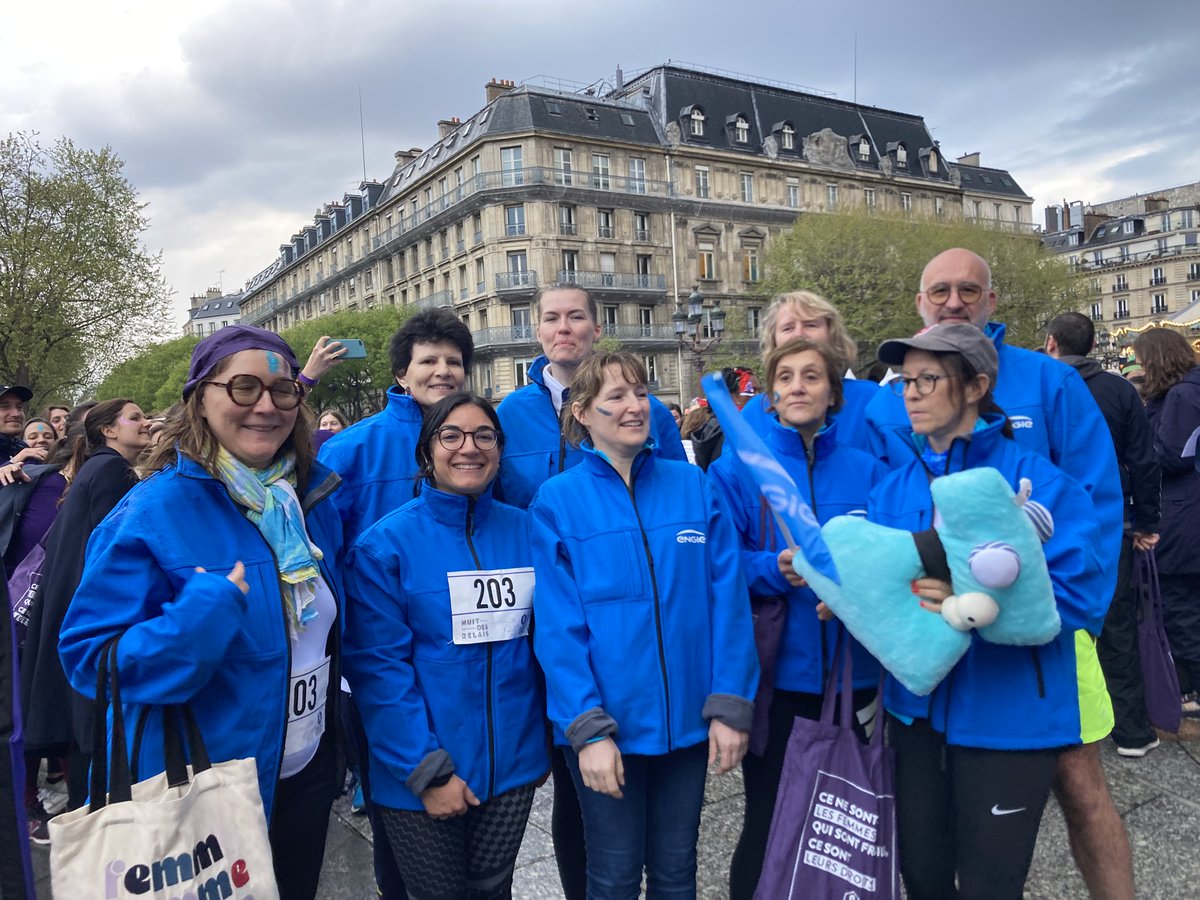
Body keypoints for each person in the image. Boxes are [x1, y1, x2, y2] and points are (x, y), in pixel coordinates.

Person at [863, 248, 1127, 896]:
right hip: (916, 713)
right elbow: (878, 587)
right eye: (908, 381)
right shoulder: (892, 484)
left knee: (991, 881)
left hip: (1012, 705)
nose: (912, 393)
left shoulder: (1040, 474)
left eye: (929, 379)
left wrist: (973, 594)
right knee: (922, 876)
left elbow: (1080, 583)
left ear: (977, 386)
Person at [58, 326, 345, 900]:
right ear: (200, 399)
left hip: (307, 774)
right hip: (204, 784)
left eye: (282, 390)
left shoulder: (307, 500)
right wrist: (200, 619)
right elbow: (91, 658)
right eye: (243, 388)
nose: (266, 405)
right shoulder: (149, 512)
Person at [530, 350, 758, 900]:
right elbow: (559, 628)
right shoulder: (558, 501)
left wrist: (729, 702)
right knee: (612, 874)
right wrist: (586, 728)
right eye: (616, 396)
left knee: (678, 870)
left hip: (687, 722)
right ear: (582, 412)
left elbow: (726, 600)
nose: (635, 406)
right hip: (608, 727)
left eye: (639, 392)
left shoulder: (693, 486)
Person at [496, 284, 684, 899]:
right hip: (544, 615)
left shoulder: (644, 416)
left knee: (650, 835)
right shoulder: (511, 412)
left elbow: (675, 500)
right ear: (538, 330)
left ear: (595, 327)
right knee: (573, 787)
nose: (564, 327)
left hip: (623, 621)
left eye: (576, 316)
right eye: (551, 317)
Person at [344, 393, 548, 899]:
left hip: (514, 766)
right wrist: (426, 769)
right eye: (451, 435)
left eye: (484, 436)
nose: (468, 448)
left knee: (494, 890)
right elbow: (379, 670)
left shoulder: (531, 532)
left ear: (500, 450)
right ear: (427, 452)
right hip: (421, 775)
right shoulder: (383, 546)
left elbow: (552, 643)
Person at [708, 338, 885, 900]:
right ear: (769, 394)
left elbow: (892, 555)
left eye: (812, 376)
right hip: (778, 678)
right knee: (769, 824)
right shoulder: (737, 471)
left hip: (859, 676)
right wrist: (772, 568)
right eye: (785, 377)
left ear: (834, 391)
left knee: (849, 824)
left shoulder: (868, 470)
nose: (798, 387)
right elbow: (717, 565)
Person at [319, 308, 472, 899]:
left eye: (453, 361)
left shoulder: (477, 440)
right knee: (397, 820)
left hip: (464, 654)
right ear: (402, 373)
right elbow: (324, 557)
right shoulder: (351, 451)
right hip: (376, 663)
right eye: (428, 361)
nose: (442, 371)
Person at [21, 398, 150, 813]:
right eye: (135, 418)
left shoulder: (95, 468)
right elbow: (115, 555)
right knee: (94, 738)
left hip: (71, 609)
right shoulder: (112, 470)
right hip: (93, 615)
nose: (145, 423)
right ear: (109, 430)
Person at [1046, 313, 1161, 755]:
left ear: (1051, 342)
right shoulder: (1118, 390)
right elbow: (1144, 461)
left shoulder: (1041, 392)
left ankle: (1066, 726)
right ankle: (1132, 730)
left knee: (1057, 627)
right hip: (1109, 524)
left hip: (1049, 526)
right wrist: (1147, 522)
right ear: (1093, 345)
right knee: (1117, 624)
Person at [1133, 328, 1200, 716]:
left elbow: (1174, 456)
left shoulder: (1181, 396)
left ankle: (1191, 688)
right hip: (1190, 510)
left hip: (1183, 514)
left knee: (1181, 607)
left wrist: (1138, 456)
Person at [744, 291, 879, 450]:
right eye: (788, 328)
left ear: (831, 335)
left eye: (810, 325)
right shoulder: (754, 412)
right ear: (774, 341)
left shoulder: (872, 400)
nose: (799, 334)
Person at [0, 384, 33, 467]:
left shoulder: (24, 449)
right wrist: (14, 461)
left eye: (19, 407)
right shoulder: (24, 453)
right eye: (4, 407)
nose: (16, 414)